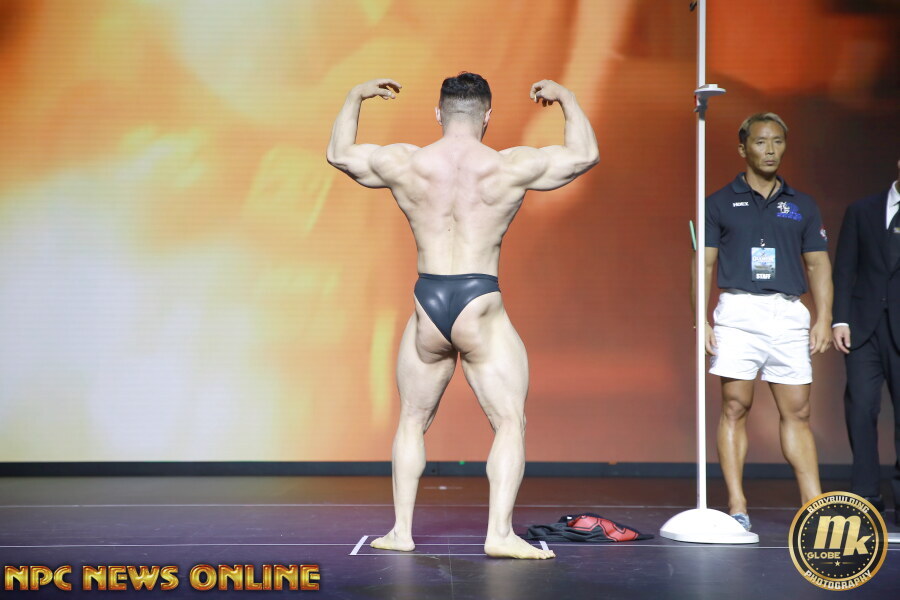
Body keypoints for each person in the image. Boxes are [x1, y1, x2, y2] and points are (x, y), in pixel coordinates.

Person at [326, 73, 598, 559]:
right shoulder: (508, 165)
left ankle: (401, 532)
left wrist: (355, 96)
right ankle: (499, 535)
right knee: (509, 421)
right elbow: (583, 155)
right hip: (480, 301)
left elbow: (340, 153)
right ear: (487, 116)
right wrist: (566, 99)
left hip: (428, 301)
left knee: (412, 421)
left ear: (439, 113)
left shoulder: (406, 162)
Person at [703, 113, 832, 531]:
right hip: (738, 312)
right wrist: (701, 319)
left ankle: (814, 505)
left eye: (777, 141)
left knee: (798, 411)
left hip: (788, 313)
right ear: (743, 148)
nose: (770, 150)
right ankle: (737, 504)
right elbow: (704, 264)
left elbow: (818, 265)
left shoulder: (802, 205)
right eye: (761, 142)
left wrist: (825, 317)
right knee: (735, 406)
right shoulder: (719, 203)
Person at [832, 159, 900, 525]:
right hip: (862, 327)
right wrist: (840, 318)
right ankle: (866, 498)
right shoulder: (862, 210)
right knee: (860, 410)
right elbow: (844, 268)